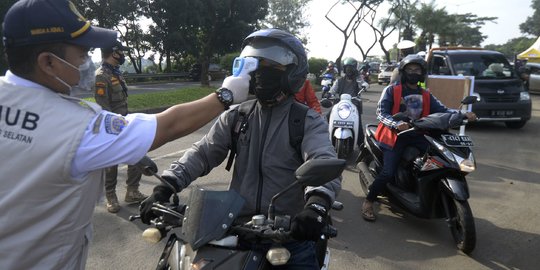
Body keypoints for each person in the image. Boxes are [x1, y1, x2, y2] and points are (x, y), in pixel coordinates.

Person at [0, 0, 251, 269]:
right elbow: (167, 125)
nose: (87, 61)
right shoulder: (77, 126)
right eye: (82, 53)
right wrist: (226, 95)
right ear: (48, 62)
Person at [140, 28, 342, 269]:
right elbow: (203, 152)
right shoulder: (237, 116)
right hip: (234, 226)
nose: (259, 73)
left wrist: (317, 204)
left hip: (289, 234)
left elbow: (322, 159)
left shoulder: (305, 120)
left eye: (269, 66)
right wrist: (167, 184)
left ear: (291, 73)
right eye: (255, 65)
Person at [361, 54, 477, 222]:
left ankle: (423, 191)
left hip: (417, 134)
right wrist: (395, 123)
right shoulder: (392, 90)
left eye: (417, 70)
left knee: (438, 159)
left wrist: (463, 114)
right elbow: (381, 113)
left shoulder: (426, 94)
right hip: (394, 136)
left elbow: (443, 110)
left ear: (422, 73)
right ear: (403, 71)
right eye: (410, 69)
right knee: (388, 172)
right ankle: (369, 201)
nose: (414, 73)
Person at [94, 41, 146, 213]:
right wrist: (115, 128)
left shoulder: (116, 73)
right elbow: (103, 107)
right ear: (113, 53)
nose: (123, 55)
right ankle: (111, 196)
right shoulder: (102, 76)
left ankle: (132, 191)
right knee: (112, 163)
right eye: (120, 52)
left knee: (137, 152)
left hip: (125, 122)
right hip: (112, 126)